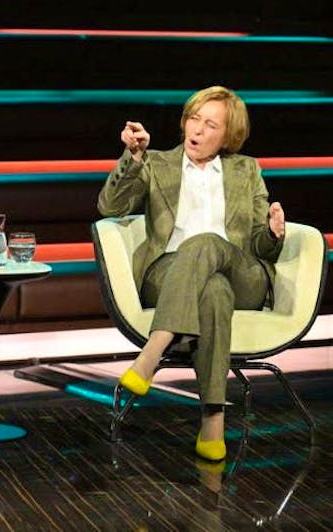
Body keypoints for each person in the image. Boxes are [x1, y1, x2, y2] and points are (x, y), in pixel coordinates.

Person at [97, 86, 285, 462]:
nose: (197, 130)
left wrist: (273, 234)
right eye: (194, 119)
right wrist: (133, 157)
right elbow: (109, 206)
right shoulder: (157, 163)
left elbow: (260, 247)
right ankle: (213, 420)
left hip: (240, 272)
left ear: (228, 135)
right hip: (168, 275)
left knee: (206, 245)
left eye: (210, 124)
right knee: (213, 292)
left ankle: (152, 353)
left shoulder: (246, 169)